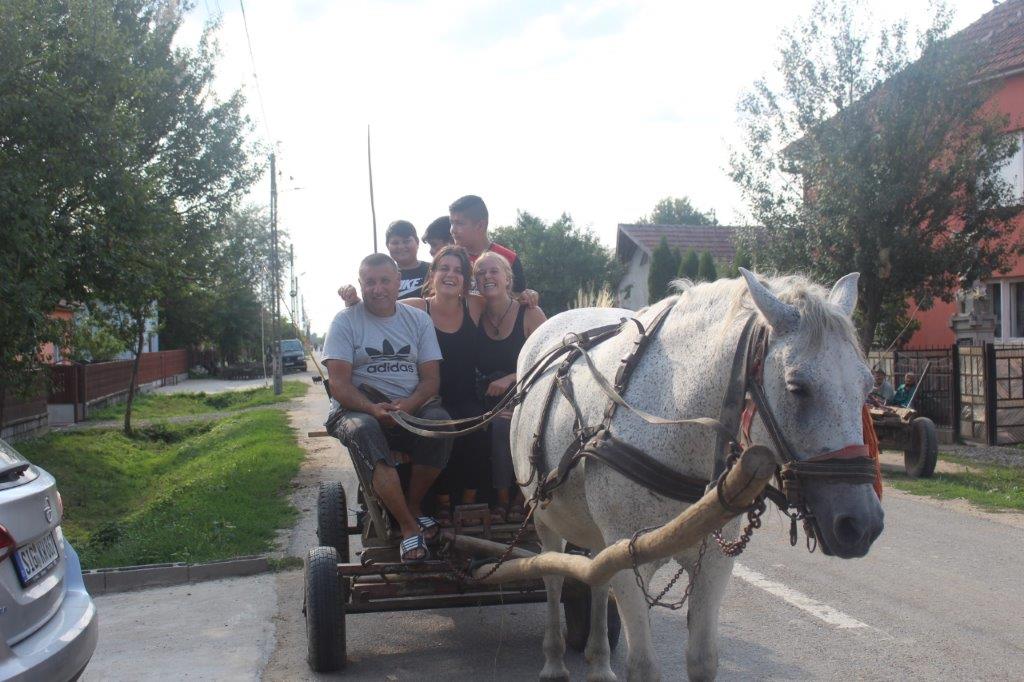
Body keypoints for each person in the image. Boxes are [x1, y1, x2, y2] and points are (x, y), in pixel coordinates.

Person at [322, 253, 451, 563]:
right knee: (366, 432)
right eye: (370, 282)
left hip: (410, 407)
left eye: (384, 281)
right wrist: (372, 409)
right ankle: (408, 528)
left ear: (398, 283)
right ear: (361, 284)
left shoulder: (418, 319)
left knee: (442, 424)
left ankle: (414, 505)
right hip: (356, 410)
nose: (377, 289)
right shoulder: (345, 321)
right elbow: (339, 386)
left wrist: (407, 406)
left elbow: (431, 381)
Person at [474, 251, 546, 523]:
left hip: (528, 391)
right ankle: (490, 498)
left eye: (493, 271)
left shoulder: (529, 312)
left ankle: (514, 499)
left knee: (505, 426)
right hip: (485, 396)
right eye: (480, 273)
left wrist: (511, 378)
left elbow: (550, 359)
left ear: (508, 278)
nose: (487, 277)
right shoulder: (475, 312)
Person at [449, 195, 527, 294]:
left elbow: (520, 299)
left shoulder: (509, 259)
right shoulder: (449, 260)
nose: (453, 230)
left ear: (480, 225)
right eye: (452, 223)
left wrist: (530, 296)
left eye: (459, 223)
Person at [385, 220, 430, 299]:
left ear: (417, 242)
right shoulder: (383, 275)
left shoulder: (434, 270)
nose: (401, 247)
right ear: (387, 246)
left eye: (406, 241)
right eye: (395, 243)